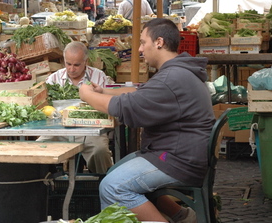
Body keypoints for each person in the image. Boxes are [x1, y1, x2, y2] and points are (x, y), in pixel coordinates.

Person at [79, 18, 215, 223]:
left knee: (113, 186)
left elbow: (127, 106)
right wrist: (104, 91)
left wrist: (86, 95)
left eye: (143, 43)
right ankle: (183, 216)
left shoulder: (172, 78)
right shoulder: (177, 72)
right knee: (115, 171)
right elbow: (140, 93)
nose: (141, 49)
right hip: (179, 153)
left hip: (176, 159)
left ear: (159, 42)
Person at [39, 41, 113, 174]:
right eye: (68, 64)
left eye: (77, 65)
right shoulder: (54, 78)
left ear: (86, 61)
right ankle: (45, 181)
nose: (72, 69)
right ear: (64, 60)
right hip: (58, 130)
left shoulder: (98, 76)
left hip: (90, 130)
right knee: (38, 147)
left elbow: (105, 103)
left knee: (99, 150)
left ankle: (102, 184)